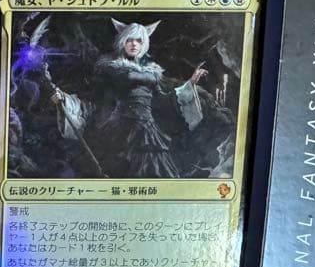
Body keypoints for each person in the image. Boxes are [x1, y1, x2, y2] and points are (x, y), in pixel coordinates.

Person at [50, 20, 206, 178]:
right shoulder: (110, 69)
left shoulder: (152, 71)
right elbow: (94, 99)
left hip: (148, 131)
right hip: (121, 130)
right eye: (129, 39)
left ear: (144, 44)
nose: (134, 44)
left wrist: (189, 84)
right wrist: (64, 99)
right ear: (122, 41)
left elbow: (161, 100)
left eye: (139, 40)